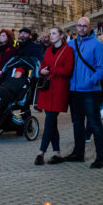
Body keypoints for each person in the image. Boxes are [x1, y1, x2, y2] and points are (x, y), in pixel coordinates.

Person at [65, 17, 103, 168]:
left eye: (85, 26)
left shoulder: (97, 44)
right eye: (79, 26)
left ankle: (101, 157)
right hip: (74, 90)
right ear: (76, 27)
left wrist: (90, 80)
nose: (82, 28)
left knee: (95, 124)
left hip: (91, 90)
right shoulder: (70, 44)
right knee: (77, 123)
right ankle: (78, 153)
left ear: (90, 28)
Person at [35, 26, 73, 166]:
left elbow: (68, 70)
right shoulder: (49, 50)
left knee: (49, 122)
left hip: (59, 90)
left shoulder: (68, 50)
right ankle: (57, 153)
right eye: (50, 33)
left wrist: (52, 69)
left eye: (54, 33)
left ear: (61, 35)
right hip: (47, 89)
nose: (51, 36)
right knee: (52, 123)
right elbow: (43, 65)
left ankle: (41, 152)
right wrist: (42, 70)